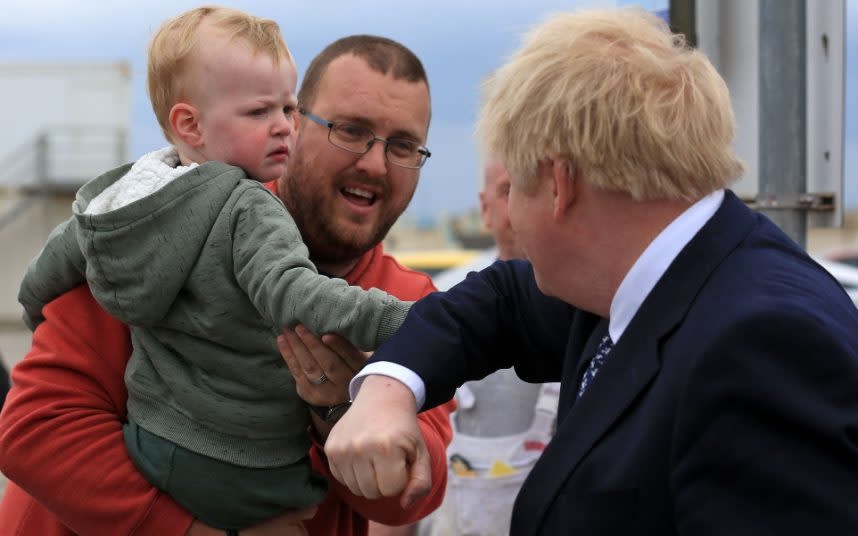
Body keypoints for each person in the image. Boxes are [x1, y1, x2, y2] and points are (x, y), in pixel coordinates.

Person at [323, 8, 858, 535]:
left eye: (518, 187)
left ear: (559, 184)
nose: (509, 216)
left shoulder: (763, 346)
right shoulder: (655, 275)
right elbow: (502, 301)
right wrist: (387, 389)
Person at [0, 32, 454, 536]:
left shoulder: (408, 300)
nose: (374, 162)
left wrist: (344, 411)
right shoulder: (168, 224)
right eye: (350, 130)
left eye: (403, 146)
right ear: (294, 125)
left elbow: (412, 493)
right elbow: (36, 429)